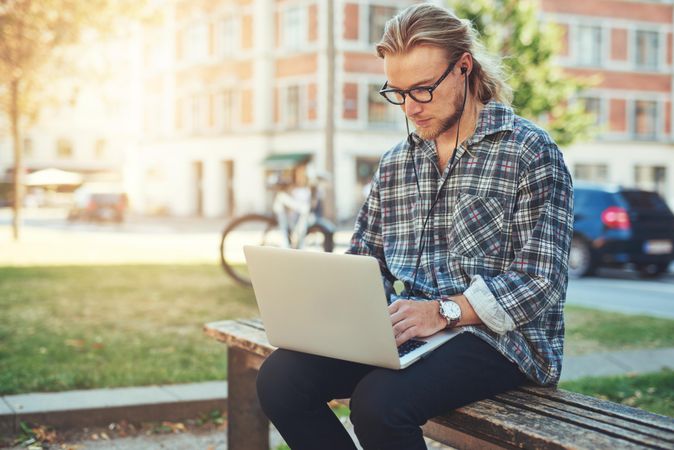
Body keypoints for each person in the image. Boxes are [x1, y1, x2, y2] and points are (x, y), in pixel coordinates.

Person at [256, 4, 574, 449]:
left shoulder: (531, 152)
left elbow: (542, 283)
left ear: (464, 67)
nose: (409, 107)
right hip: (413, 334)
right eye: (398, 92)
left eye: (423, 90)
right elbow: (369, 261)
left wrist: (444, 311)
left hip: (505, 341)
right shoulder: (394, 165)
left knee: (379, 403)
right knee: (281, 378)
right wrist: (345, 313)